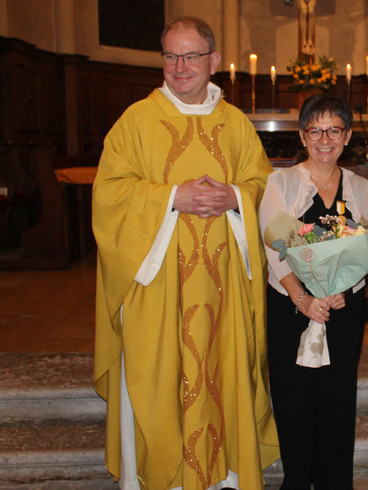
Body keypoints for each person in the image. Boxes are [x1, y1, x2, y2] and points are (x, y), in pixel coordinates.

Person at [92, 16, 279, 490]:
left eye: (191, 55)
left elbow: (265, 188)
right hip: (157, 292)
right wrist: (171, 198)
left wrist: (235, 197)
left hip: (224, 293)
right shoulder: (135, 121)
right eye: (171, 55)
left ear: (213, 61)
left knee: (223, 371)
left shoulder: (235, 123)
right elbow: (109, 194)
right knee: (161, 377)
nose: (180, 66)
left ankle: (226, 479)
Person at [258, 94, 368, 489]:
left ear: (348, 136)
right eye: (315, 130)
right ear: (303, 137)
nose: (325, 139)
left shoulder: (359, 186)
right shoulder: (282, 182)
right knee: (295, 401)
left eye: (334, 130)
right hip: (292, 307)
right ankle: (298, 481)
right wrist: (302, 298)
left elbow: (366, 246)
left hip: (342, 307)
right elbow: (275, 247)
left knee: (338, 402)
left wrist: (345, 287)